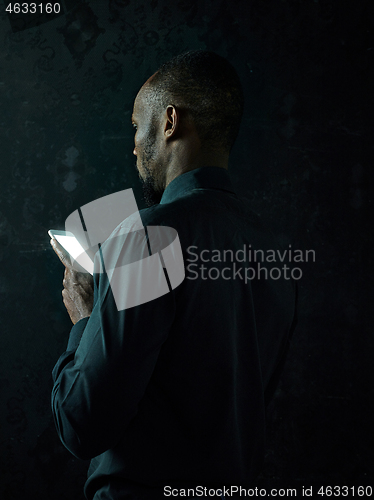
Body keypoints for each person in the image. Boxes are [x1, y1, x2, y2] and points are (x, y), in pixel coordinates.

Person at [51, 50, 297, 500]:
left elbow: (80, 425)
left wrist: (85, 317)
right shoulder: (277, 251)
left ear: (168, 122)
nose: (132, 145)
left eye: (135, 126)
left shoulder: (149, 236)